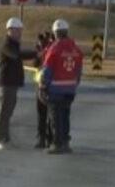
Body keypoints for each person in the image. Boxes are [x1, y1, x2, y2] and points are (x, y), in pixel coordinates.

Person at [39, 19, 82, 155]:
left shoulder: (54, 49)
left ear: (55, 33)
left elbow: (48, 69)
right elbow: (79, 70)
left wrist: (42, 85)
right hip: (70, 89)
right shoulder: (75, 48)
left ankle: (57, 144)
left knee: (55, 117)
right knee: (65, 115)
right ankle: (65, 142)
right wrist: (75, 84)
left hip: (56, 89)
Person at [0, 17, 26, 150]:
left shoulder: (15, 45)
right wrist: (35, 54)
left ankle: (6, 138)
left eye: (20, 30)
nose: (20, 33)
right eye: (17, 30)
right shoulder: (6, 45)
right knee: (3, 112)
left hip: (13, 84)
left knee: (8, 112)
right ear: (10, 31)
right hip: (6, 84)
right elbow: (15, 55)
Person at [33, 31, 55, 150]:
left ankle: (44, 138)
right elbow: (35, 63)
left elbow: (36, 63)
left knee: (45, 113)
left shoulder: (50, 51)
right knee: (46, 113)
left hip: (45, 85)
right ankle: (46, 138)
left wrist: (40, 51)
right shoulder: (50, 50)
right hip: (46, 85)